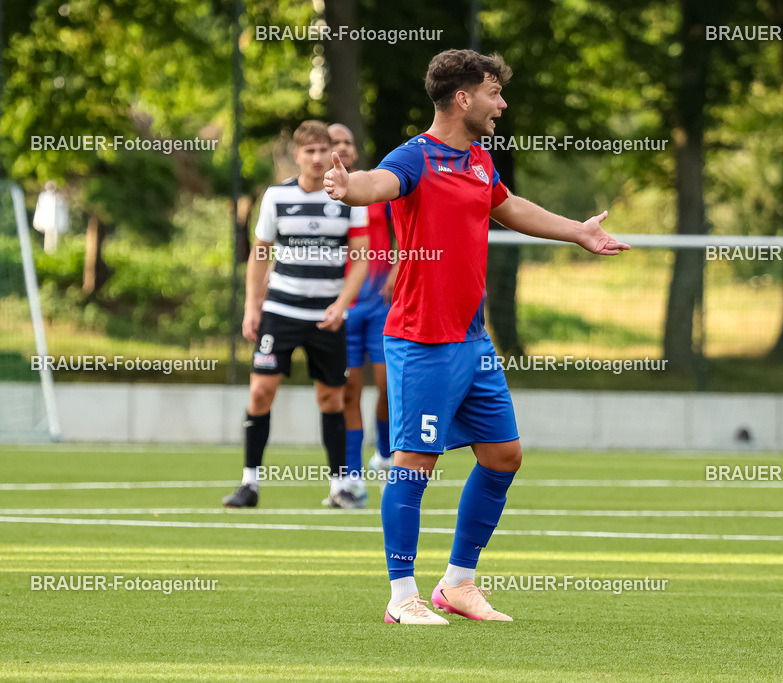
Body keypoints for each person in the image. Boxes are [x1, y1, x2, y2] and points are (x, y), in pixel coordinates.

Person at [324, 49, 629, 625]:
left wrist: (577, 234)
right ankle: (401, 596)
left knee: (504, 455)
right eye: (494, 92)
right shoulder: (414, 157)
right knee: (414, 464)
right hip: (422, 340)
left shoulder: (480, 161)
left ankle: (458, 583)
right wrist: (349, 187)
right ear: (463, 98)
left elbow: (508, 207)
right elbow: (378, 183)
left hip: (472, 341)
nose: (502, 104)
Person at [223, 120, 369, 508]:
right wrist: (253, 305)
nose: (319, 157)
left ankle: (339, 488)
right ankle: (249, 483)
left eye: (325, 150)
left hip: (327, 317)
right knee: (260, 391)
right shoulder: (275, 197)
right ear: (297, 155)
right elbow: (260, 254)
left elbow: (360, 259)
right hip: (280, 312)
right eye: (311, 151)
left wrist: (341, 306)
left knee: (332, 400)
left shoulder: (349, 196)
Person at [325, 124, 398, 509]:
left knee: (387, 387)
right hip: (340, 306)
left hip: (380, 304)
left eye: (348, 142)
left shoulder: (375, 188)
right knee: (348, 391)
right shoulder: (317, 196)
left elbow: (406, 233)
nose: (343, 148)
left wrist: (397, 270)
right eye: (335, 143)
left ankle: (384, 456)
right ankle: (351, 479)